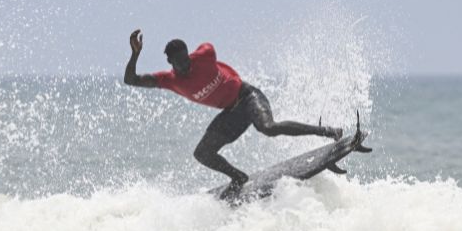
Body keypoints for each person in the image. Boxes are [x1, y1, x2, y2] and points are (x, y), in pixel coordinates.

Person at [123, 29, 342, 194]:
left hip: (248, 97)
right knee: (202, 153)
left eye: (186, 59)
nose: (185, 65)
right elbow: (130, 80)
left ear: (188, 54)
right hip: (232, 113)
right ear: (170, 62)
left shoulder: (205, 54)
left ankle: (328, 131)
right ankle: (238, 177)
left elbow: (207, 49)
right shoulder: (168, 80)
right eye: (179, 63)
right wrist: (135, 54)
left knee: (269, 128)